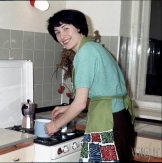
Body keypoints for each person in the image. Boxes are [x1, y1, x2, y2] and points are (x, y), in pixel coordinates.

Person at [44, 9, 135, 162]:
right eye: (57, 32)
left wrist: (55, 125)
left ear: (79, 27)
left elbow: (80, 104)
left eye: (66, 28)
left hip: (107, 121)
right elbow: (101, 93)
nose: (62, 36)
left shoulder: (85, 53)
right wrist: (67, 108)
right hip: (119, 118)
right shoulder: (94, 48)